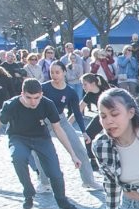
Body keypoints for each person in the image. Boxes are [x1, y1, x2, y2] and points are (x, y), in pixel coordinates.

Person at [0, 78, 80, 209]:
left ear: (41, 94)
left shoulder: (47, 104)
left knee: (55, 172)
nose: (33, 102)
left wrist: (73, 155)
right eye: (29, 98)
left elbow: (58, 129)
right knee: (18, 157)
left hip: (41, 139)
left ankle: (62, 202)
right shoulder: (11, 105)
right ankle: (28, 192)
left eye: (36, 98)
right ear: (22, 93)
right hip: (18, 138)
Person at [43, 62, 104, 190]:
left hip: (61, 120)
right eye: (52, 72)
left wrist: (84, 132)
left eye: (57, 72)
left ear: (64, 72)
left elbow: (77, 112)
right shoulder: (44, 88)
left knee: (80, 150)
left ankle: (88, 181)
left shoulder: (70, 91)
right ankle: (44, 182)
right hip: (44, 121)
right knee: (43, 152)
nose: (54, 75)